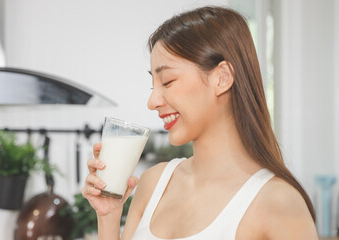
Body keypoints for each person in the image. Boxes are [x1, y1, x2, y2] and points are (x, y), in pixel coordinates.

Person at [83, 6, 318, 240]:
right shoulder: (154, 184)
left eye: (167, 81)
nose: (152, 101)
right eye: (152, 85)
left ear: (222, 78)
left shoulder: (278, 204)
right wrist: (109, 216)